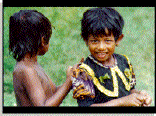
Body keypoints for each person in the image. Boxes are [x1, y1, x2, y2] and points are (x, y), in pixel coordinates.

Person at [73, 7, 152, 107]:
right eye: (94, 41)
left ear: (118, 40)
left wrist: (140, 96)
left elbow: (130, 90)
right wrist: (122, 102)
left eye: (107, 40)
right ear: (86, 40)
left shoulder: (124, 61)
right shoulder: (83, 72)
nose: (101, 47)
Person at [9, 10, 72, 106]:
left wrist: (73, 81)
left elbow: (53, 93)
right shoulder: (27, 70)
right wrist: (68, 82)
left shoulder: (32, 65)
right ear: (43, 40)